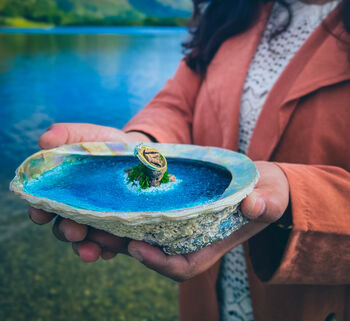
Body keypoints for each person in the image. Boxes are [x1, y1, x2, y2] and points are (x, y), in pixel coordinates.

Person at [29, 0, 350, 320]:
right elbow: (178, 103)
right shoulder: (233, 11)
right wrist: (141, 143)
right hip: (208, 296)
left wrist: (296, 197)